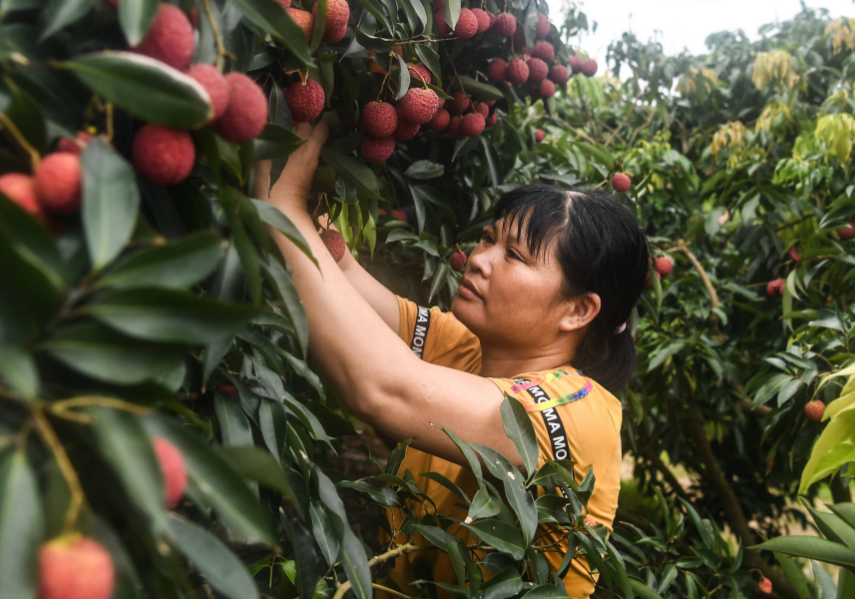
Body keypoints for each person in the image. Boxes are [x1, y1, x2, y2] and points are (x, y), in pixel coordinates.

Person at [252, 120, 649, 598]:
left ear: (578, 310)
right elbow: (338, 270)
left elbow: (383, 388)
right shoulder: (467, 349)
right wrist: (298, 123)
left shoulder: (569, 411)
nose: (479, 258)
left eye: (516, 257)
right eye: (489, 238)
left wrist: (282, 205)